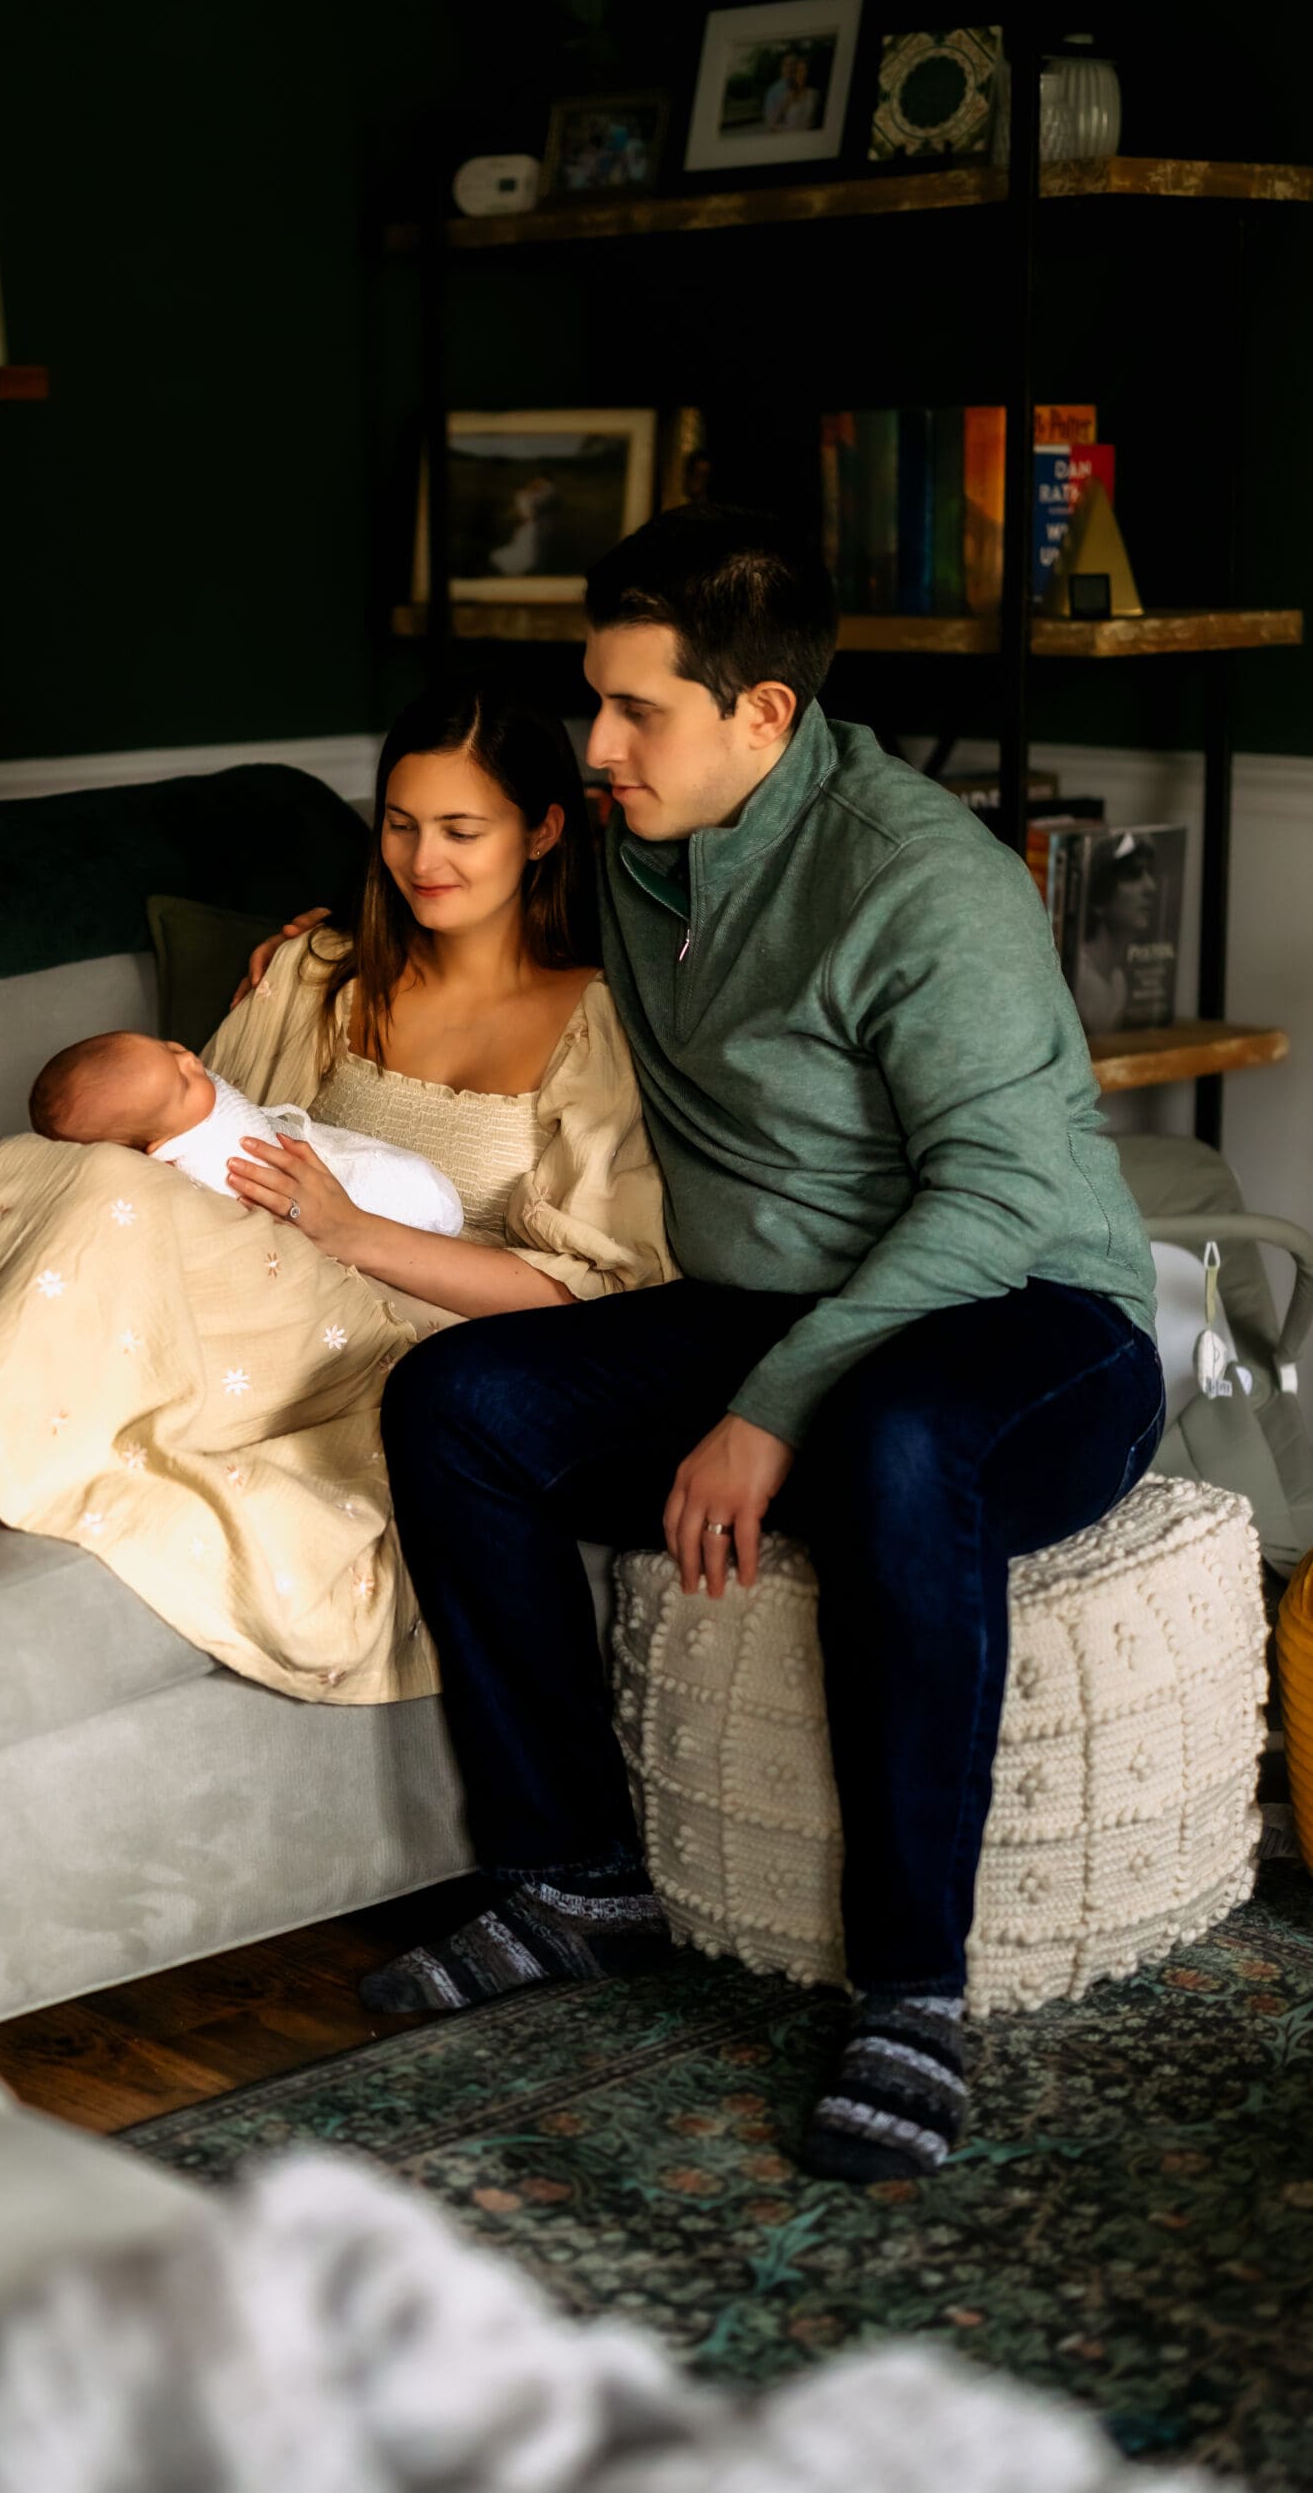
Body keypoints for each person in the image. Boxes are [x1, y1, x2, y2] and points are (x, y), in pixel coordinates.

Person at [246, 506, 1162, 2185]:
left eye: (633, 712)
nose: (592, 747)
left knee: (889, 1446)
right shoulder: (634, 837)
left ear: (760, 714)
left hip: (1021, 1317)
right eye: (588, 705)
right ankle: (573, 1880)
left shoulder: (916, 883)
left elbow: (994, 1197)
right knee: (458, 1402)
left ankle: (908, 1997)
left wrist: (769, 1407)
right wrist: (322, 951)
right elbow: (461, 860)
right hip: (759, 1305)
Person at [0, 686, 670, 1712]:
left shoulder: (594, 1024)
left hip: (404, 1351)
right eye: (397, 824)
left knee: (107, 1190)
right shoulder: (317, 973)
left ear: (540, 831)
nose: (420, 859)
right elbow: (200, 1143)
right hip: (255, 1280)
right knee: (44, 1161)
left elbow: (586, 1301)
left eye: (460, 830)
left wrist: (352, 1229)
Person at [28, 1029, 466, 1236]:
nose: (191, 1060)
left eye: (170, 1048)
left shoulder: (184, 1110)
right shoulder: (204, 1168)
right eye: (183, 1082)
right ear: (159, 1150)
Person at [1073, 832, 1158, 1035]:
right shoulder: (1078, 977)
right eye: (1133, 875)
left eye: (1149, 873)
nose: (1150, 887)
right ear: (1099, 892)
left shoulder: (1119, 983)